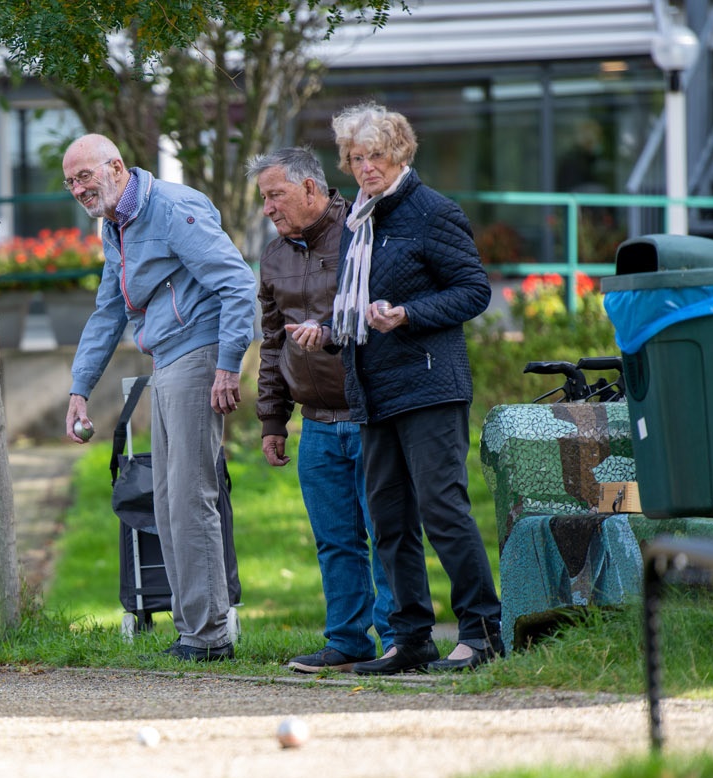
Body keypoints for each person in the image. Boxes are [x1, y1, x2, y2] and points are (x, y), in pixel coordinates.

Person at [291, 103, 503, 675]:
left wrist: (408, 313)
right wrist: (329, 330)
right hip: (374, 390)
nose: (365, 168)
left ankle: (482, 631)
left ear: (401, 153)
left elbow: (473, 292)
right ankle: (410, 638)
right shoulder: (362, 221)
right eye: (356, 158)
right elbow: (360, 307)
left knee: (442, 509)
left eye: (375, 156)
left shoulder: (432, 213)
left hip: (431, 385)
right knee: (388, 518)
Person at [62, 134, 257, 661]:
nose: (79, 188)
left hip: (198, 357)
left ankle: (210, 635)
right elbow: (108, 311)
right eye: (70, 182)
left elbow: (239, 284)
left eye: (85, 176)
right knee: (169, 503)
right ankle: (196, 631)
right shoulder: (116, 227)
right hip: (166, 361)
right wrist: (80, 389)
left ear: (116, 168)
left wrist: (227, 365)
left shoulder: (170, 209)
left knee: (191, 499)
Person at [246, 147, 394, 673]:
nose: (268, 207)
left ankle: (400, 640)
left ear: (311, 188)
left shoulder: (364, 233)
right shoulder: (272, 256)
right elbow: (271, 343)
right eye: (264, 197)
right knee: (335, 542)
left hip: (371, 415)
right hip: (316, 425)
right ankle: (348, 641)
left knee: (387, 534)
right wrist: (272, 419)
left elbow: (380, 320)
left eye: (275, 195)